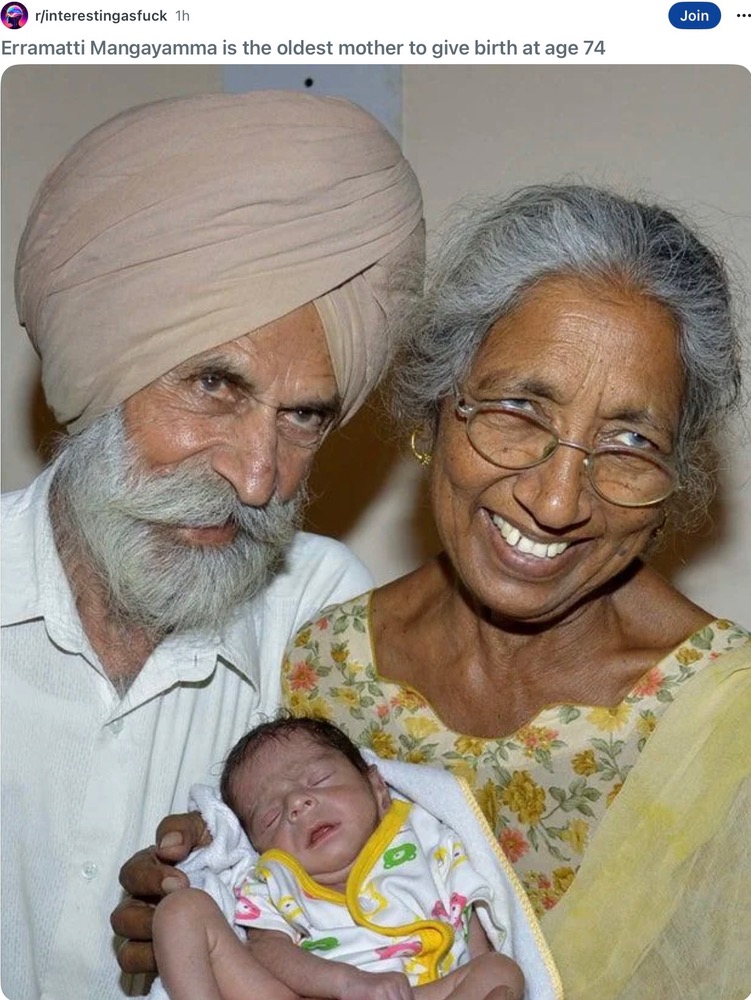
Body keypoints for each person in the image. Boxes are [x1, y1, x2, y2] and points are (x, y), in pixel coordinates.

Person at [120, 184, 750, 1000]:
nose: (556, 501)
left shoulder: (725, 726)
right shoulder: (324, 666)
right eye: (518, 410)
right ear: (436, 409)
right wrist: (195, 910)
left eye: (630, 441)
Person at [1, 90, 423, 1000]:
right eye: (214, 386)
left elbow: (390, 903)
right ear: (99, 373)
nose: (259, 477)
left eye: (303, 416)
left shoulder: (317, 610)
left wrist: (248, 929)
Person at [152, 717, 527, 1000]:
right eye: (271, 816)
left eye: (318, 780)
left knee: (499, 970)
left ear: (377, 788)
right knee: (181, 911)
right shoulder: (275, 879)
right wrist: (345, 982)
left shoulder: (425, 834)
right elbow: (267, 950)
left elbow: (471, 920)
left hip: (423, 991)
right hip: (318, 993)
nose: (297, 803)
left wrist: (477, 966)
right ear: (260, 849)